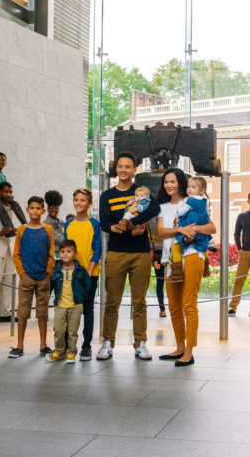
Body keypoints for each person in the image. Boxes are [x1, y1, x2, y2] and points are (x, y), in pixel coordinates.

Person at [97, 151, 160, 361]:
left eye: (128, 167)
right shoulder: (107, 196)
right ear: (116, 169)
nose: (123, 170)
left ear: (134, 170)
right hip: (116, 253)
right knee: (112, 302)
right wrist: (126, 230)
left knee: (139, 301)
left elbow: (155, 208)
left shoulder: (141, 192)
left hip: (140, 254)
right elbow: (106, 224)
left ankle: (140, 344)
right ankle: (107, 343)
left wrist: (132, 222)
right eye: (120, 166)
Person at [157, 168, 216, 367]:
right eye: (166, 182)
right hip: (170, 259)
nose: (169, 185)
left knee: (188, 304)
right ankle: (179, 347)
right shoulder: (162, 207)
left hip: (192, 256)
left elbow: (212, 228)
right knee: (174, 307)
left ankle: (189, 352)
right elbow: (161, 233)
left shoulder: (194, 202)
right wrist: (180, 229)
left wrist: (193, 229)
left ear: (181, 183)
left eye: (173, 181)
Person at [9, 196, 55, 358]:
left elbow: (51, 252)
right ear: (27, 210)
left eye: (38, 208)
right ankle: (19, 346)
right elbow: (16, 254)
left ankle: (43, 345)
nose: (35, 211)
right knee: (23, 310)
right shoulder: (22, 230)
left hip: (43, 276)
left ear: (43, 211)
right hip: (26, 276)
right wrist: (22, 272)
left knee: (42, 312)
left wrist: (49, 270)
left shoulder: (47, 229)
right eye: (32, 208)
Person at [64, 188, 102, 361]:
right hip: (70, 274)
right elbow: (65, 248)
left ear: (89, 203)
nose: (79, 203)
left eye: (82, 200)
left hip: (90, 274)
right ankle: (67, 346)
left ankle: (86, 347)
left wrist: (88, 270)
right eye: (76, 199)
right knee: (68, 309)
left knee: (88, 309)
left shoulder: (94, 223)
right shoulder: (68, 224)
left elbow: (97, 248)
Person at [47, 240, 91, 363]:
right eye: (62, 252)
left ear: (75, 254)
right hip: (60, 306)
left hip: (76, 306)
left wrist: (82, 297)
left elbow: (87, 284)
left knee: (73, 332)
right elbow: (51, 285)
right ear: (58, 253)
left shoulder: (80, 270)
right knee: (59, 330)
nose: (65, 254)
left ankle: (71, 353)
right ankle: (59, 351)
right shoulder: (56, 269)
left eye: (69, 251)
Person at [169, 176, 211, 281]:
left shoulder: (190, 200)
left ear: (202, 190)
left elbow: (182, 212)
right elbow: (206, 214)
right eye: (188, 187)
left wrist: (177, 213)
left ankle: (177, 272)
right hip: (200, 227)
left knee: (175, 246)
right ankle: (206, 267)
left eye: (193, 187)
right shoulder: (206, 201)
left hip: (188, 226)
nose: (189, 189)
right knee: (203, 245)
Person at [0, 182, 19, 325]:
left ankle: (4, 313)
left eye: (10, 191)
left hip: (8, 248)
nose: (8, 194)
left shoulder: (9, 208)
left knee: (7, 282)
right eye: (6, 191)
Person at [0, 153, 26, 234]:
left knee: (15, 204)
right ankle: (9, 229)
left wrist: (9, 195)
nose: (0, 161)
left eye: (3, 160)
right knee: (0, 206)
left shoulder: (3, 176)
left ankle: (26, 226)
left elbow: (4, 188)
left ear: (6, 161)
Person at [44, 190, 64, 257]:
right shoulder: (46, 224)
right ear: (47, 209)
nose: (53, 210)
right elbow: (59, 238)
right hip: (54, 256)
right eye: (51, 208)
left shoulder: (61, 222)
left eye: (56, 208)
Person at [152, 249, 166, 317]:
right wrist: (155, 259)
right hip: (158, 257)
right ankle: (162, 309)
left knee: (176, 283)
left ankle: (179, 308)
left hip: (173, 257)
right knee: (160, 283)